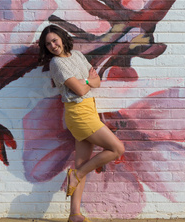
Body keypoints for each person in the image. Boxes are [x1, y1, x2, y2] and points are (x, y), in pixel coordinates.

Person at [38, 25, 125, 222]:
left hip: (89, 110)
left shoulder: (76, 55)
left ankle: (74, 215)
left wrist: (86, 81)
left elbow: (98, 81)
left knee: (82, 161)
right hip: (78, 114)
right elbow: (81, 89)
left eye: (54, 40)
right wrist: (87, 81)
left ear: (62, 38)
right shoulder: (57, 64)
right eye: (48, 44)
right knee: (117, 148)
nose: (53, 45)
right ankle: (77, 174)